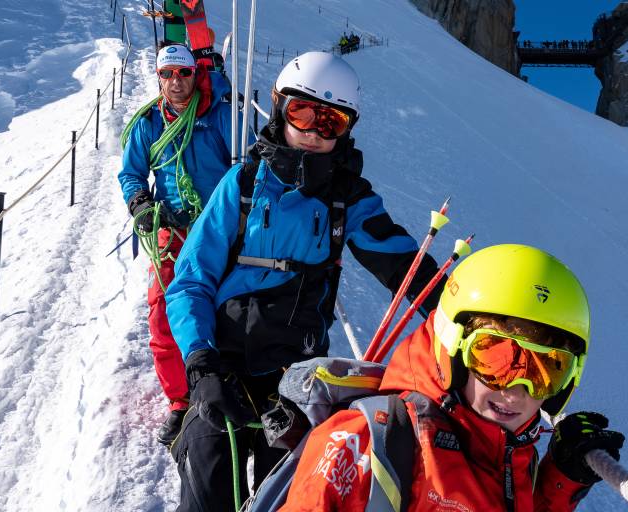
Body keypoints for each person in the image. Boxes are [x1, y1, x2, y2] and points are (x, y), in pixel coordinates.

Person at [165, 51, 442, 510]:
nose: (314, 130)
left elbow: (400, 263)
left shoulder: (348, 198)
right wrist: (200, 363)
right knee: (208, 487)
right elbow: (191, 281)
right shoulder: (243, 184)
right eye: (303, 112)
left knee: (298, 498)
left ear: (347, 128)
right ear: (278, 106)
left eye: (330, 121)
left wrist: (457, 306)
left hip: (300, 382)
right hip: (224, 366)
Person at [278, 244, 625, 511]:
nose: (517, 391)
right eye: (498, 359)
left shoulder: (513, 456)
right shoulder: (365, 443)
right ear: (452, 347)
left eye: (546, 370)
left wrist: (562, 477)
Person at [118, 43, 241, 446]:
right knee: (163, 311)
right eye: (167, 74)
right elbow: (132, 173)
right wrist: (141, 204)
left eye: (182, 73)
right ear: (158, 77)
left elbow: (247, 166)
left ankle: (227, 380)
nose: (175, 82)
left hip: (220, 227)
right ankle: (180, 399)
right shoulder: (149, 122)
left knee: (230, 306)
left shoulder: (221, 116)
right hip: (173, 230)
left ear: (195, 73)